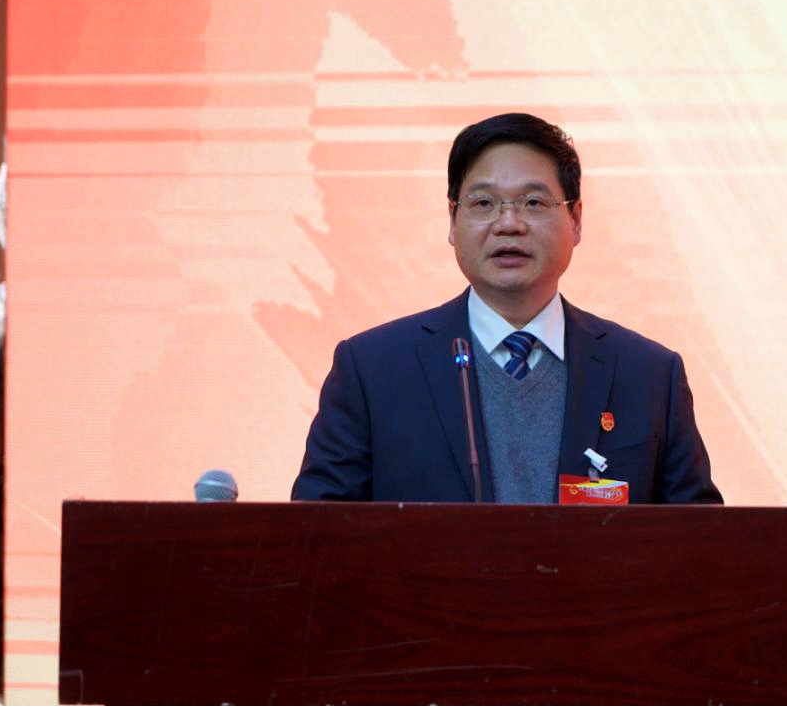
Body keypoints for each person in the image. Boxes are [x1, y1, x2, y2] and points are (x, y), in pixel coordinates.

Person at [292, 113, 722, 504]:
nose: (509, 223)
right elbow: (315, 536)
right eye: (484, 204)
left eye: (533, 203)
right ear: (452, 220)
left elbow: (700, 544)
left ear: (576, 220)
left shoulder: (648, 375)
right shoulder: (373, 370)